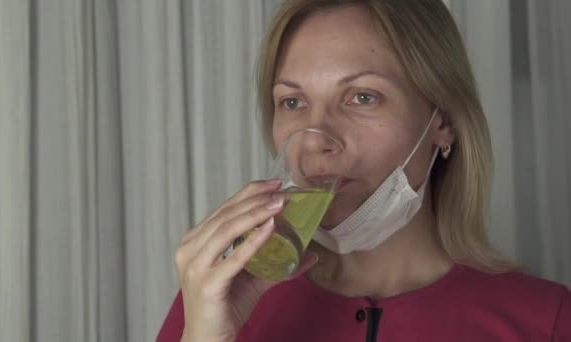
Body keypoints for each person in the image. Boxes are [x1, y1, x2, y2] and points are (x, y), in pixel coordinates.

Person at [157, 0, 571, 341]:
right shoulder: (213, 304)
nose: (317, 138)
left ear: (442, 121)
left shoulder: (546, 320)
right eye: (293, 102)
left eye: (362, 97)